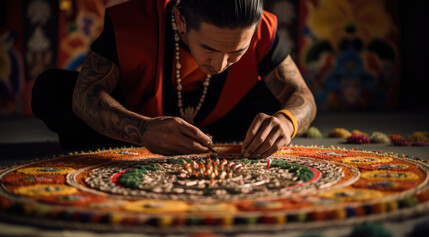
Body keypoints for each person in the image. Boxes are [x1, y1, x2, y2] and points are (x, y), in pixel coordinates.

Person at [32, 0, 316, 158]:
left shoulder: (262, 29)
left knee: (273, 102)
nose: (220, 64)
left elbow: (303, 98)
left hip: (223, 119)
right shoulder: (136, 20)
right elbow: (86, 95)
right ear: (181, 20)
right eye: (209, 48)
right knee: (53, 91)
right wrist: (143, 130)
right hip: (142, 113)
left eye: (236, 52)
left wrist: (285, 122)